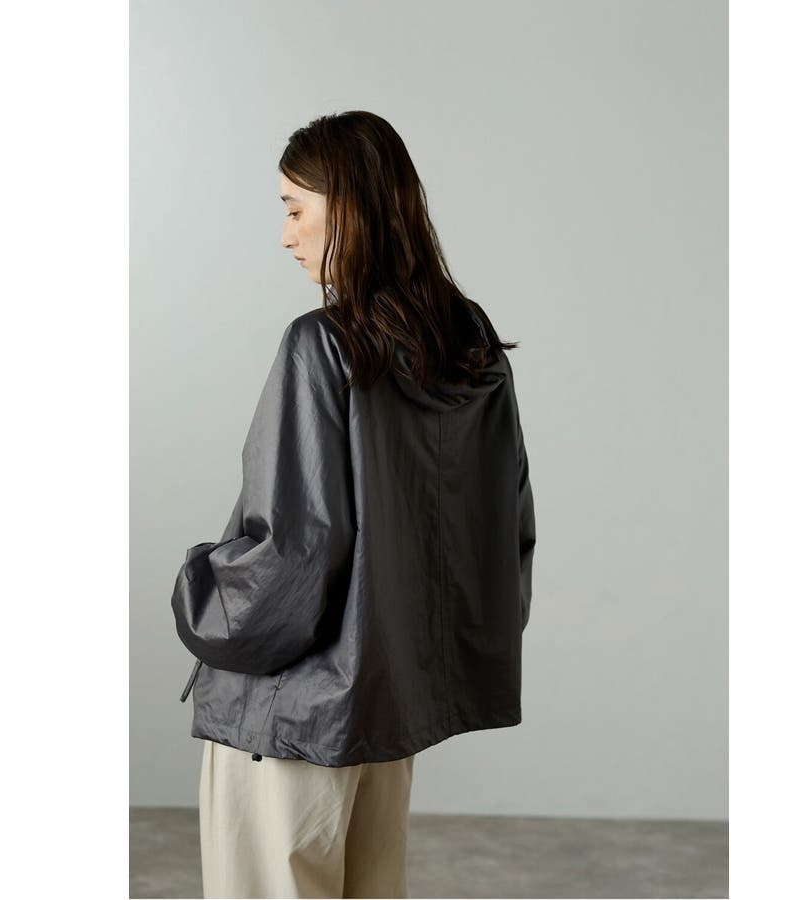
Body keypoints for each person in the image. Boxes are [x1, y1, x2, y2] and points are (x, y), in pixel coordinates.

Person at [171, 110, 536, 899]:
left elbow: (294, 553)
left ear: (351, 206)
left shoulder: (323, 344)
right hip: (385, 710)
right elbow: (504, 529)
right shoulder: (468, 342)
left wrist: (198, 588)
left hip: (290, 718)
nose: (286, 235)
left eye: (294, 208)